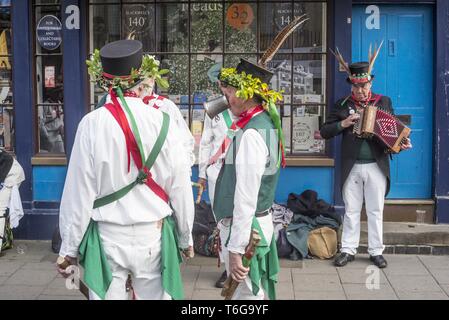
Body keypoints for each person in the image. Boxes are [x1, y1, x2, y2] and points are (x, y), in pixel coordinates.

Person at [56, 39, 194, 300]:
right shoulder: (164, 121)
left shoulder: (91, 124)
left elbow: (79, 192)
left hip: (108, 236)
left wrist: (69, 247)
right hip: (152, 235)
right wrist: (186, 236)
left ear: (105, 82)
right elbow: (180, 185)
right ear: (141, 77)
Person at [320, 50, 412, 268]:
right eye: (356, 87)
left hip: (376, 164)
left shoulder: (384, 102)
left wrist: (402, 143)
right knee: (351, 210)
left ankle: (376, 251)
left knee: (375, 210)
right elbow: (325, 131)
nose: (360, 91)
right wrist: (343, 124)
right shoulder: (342, 105)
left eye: (364, 86)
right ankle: (348, 249)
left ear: (370, 84)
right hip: (351, 165)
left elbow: (393, 130)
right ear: (351, 86)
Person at [212, 58, 286, 300]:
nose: (227, 97)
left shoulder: (253, 133)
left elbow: (246, 197)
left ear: (246, 95)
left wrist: (235, 248)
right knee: (251, 293)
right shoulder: (262, 122)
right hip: (252, 226)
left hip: (246, 229)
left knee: (247, 294)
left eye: (231, 92)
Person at [198, 104, 235, 288]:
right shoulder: (214, 108)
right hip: (216, 171)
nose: (226, 89)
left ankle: (242, 264)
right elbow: (205, 142)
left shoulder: (252, 104)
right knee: (222, 222)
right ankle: (228, 268)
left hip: (240, 171)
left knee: (241, 219)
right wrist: (202, 174)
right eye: (222, 84)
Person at [0, 149, 25, 255]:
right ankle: (6, 238)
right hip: (7, 173)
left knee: (0, 208)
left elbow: (5, 164)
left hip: (12, 175)